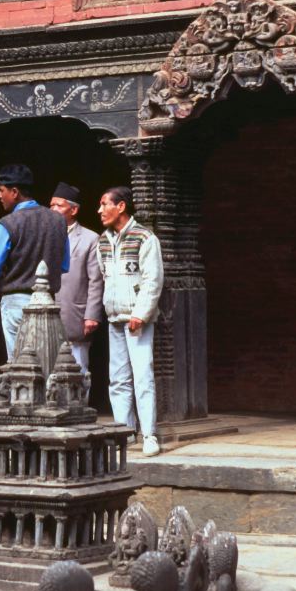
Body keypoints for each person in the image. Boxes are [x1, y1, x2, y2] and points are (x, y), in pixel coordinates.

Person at [97, 186, 164, 457]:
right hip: (115, 318)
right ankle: (123, 433)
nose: (100, 210)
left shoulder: (145, 238)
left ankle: (149, 434)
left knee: (143, 376)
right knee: (118, 379)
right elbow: (104, 277)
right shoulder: (103, 240)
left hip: (137, 319)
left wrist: (141, 313)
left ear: (121, 206)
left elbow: (153, 279)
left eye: (104, 204)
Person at [0, 164, 70, 360]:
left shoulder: (8, 224)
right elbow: (63, 264)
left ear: (14, 192)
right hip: (48, 302)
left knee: (20, 366)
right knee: (48, 361)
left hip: (16, 301)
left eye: (1, 191)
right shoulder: (58, 221)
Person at [49, 182, 104, 372]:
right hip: (47, 314)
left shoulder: (90, 238)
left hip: (75, 315)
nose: (53, 209)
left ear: (73, 210)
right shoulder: (45, 235)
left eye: (59, 205)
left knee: (78, 371)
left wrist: (92, 315)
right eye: (51, 205)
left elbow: (95, 280)